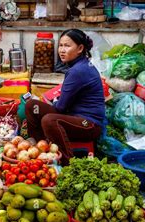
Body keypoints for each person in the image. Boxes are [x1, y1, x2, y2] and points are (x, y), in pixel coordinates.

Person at [25, 29, 106, 166]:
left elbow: (62, 107)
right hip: (74, 117)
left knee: (49, 120)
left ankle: (66, 161)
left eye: (67, 46)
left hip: (88, 125)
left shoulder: (78, 70)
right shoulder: (80, 66)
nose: (62, 50)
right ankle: (41, 148)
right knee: (33, 106)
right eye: (60, 45)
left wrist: (53, 103)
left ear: (80, 48)